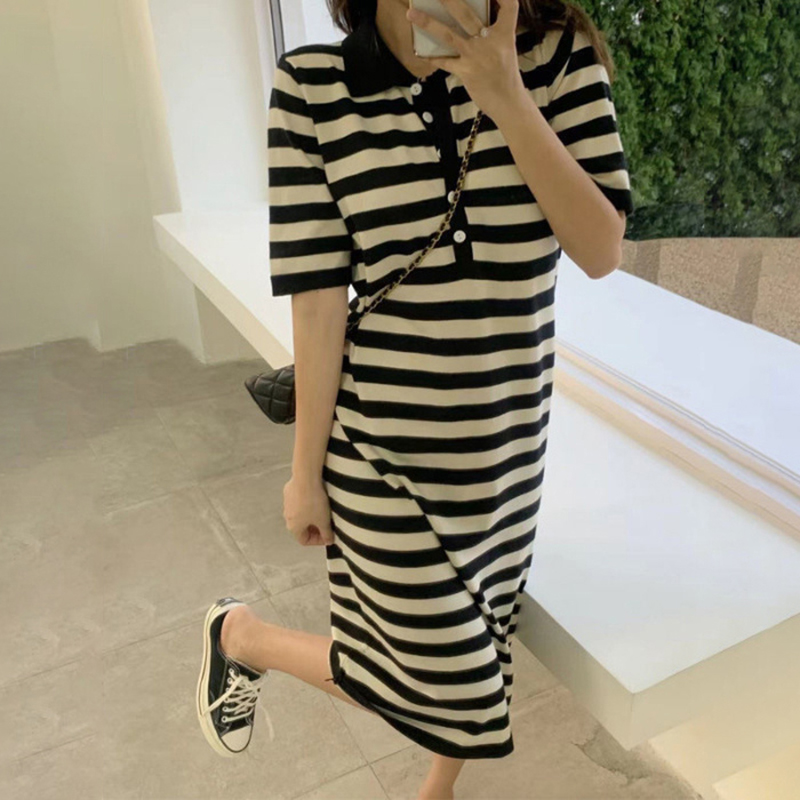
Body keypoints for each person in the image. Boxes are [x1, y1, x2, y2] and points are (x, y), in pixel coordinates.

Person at [197, 1, 633, 798]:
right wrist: (304, 473)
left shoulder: (555, 55)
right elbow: (318, 301)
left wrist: (507, 97)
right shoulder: (313, 87)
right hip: (381, 443)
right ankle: (243, 637)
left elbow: (601, 248)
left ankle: (435, 789)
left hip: (505, 445)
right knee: (439, 679)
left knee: (479, 636)